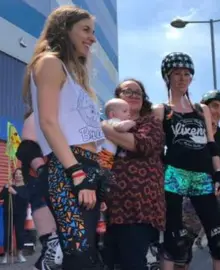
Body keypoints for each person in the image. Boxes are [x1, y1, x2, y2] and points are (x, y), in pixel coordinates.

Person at [23, 5, 106, 269]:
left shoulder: (74, 78)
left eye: (93, 32)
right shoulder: (50, 62)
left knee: (89, 252)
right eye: (85, 30)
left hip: (89, 166)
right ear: (64, 29)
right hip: (69, 166)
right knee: (78, 253)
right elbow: (47, 122)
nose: (92, 38)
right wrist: (76, 172)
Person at [158, 52, 220, 270]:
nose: (182, 78)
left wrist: (218, 172)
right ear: (167, 77)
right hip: (173, 175)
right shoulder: (161, 110)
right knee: (174, 242)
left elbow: (211, 144)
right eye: (177, 73)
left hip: (201, 176)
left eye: (187, 73)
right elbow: (155, 146)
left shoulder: (202, 110)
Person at [103, 78, 166, 270]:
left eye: (138, 92)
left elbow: (141, 144)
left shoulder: (150, 122)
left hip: (140, 211)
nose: (133, 95)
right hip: (111, 211)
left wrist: (106, 128)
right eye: (127, 92)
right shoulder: (106, 124)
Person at [176, 90, 220, 269]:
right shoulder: (187, 129)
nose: (218, 111)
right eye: (214, 106)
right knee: (181, 247)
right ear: (204, 107)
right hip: (193, 194)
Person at [16, 111, 63, 269]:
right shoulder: (38, 113)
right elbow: (26, 148)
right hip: (44, 181)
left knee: (63, 249)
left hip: (64, 181)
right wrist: (43, 170)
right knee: (54, 250)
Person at [98, 98, 136, 170]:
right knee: (102, 171)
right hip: (104, 152)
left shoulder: (110, 123)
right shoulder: (113, 121)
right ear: (112, 114)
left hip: (106, 152)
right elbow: (121, 127)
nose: (128, 114)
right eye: (125, 111)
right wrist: (132, 122)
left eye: (129, 112)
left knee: (102, 171)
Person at [0, 169, 29, 264]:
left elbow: (25, 200)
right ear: (14, 175)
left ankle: (19, 254)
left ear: (23, 176)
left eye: (20, 174)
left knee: (20, 233)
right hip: (8, 212)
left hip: (20, 213)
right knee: (7, 234)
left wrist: (15, 193)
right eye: (16, 174)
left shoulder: (26, 187)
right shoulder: (10, 186)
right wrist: (5, 187)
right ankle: (6, 255)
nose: (18, 175)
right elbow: (1, 197)